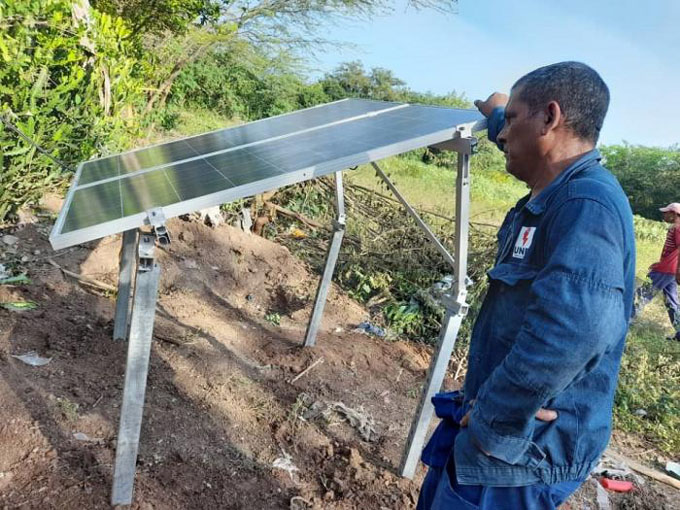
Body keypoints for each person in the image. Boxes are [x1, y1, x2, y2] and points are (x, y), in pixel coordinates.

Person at [417, 61, 635, 510]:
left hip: (516, 455)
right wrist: (501, 109)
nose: (500, 136)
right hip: (498, 441)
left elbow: (574, 331)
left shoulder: (585, 204)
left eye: (513, 121)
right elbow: (509, 124)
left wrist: (497, 409)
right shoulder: (554, 187)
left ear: (551, 118)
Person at [631, 203, 680, 340]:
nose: (663, 215)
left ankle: (624, 321)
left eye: (666, 212)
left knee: (642, 294)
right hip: (669, 270)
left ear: (674, 214)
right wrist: (661, 263)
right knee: (672, 302)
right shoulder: (675, 228)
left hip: (666, 270)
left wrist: (676, 269)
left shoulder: (677, 228)